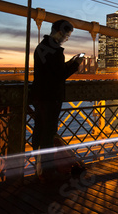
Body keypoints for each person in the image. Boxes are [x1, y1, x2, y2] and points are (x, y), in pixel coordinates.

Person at [31, 19, 84, 182]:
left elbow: (53, 71)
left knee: (39, 131)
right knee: (48, 133)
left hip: (39, 95)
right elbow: (59, 76)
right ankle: (47, 172)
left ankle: (39, 168)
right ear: (60, 32)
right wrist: (75, 65)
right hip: (51, 97)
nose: (67, 38)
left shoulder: (41, 47)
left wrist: (68, 63)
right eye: (67, 35)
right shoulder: (55, 51)